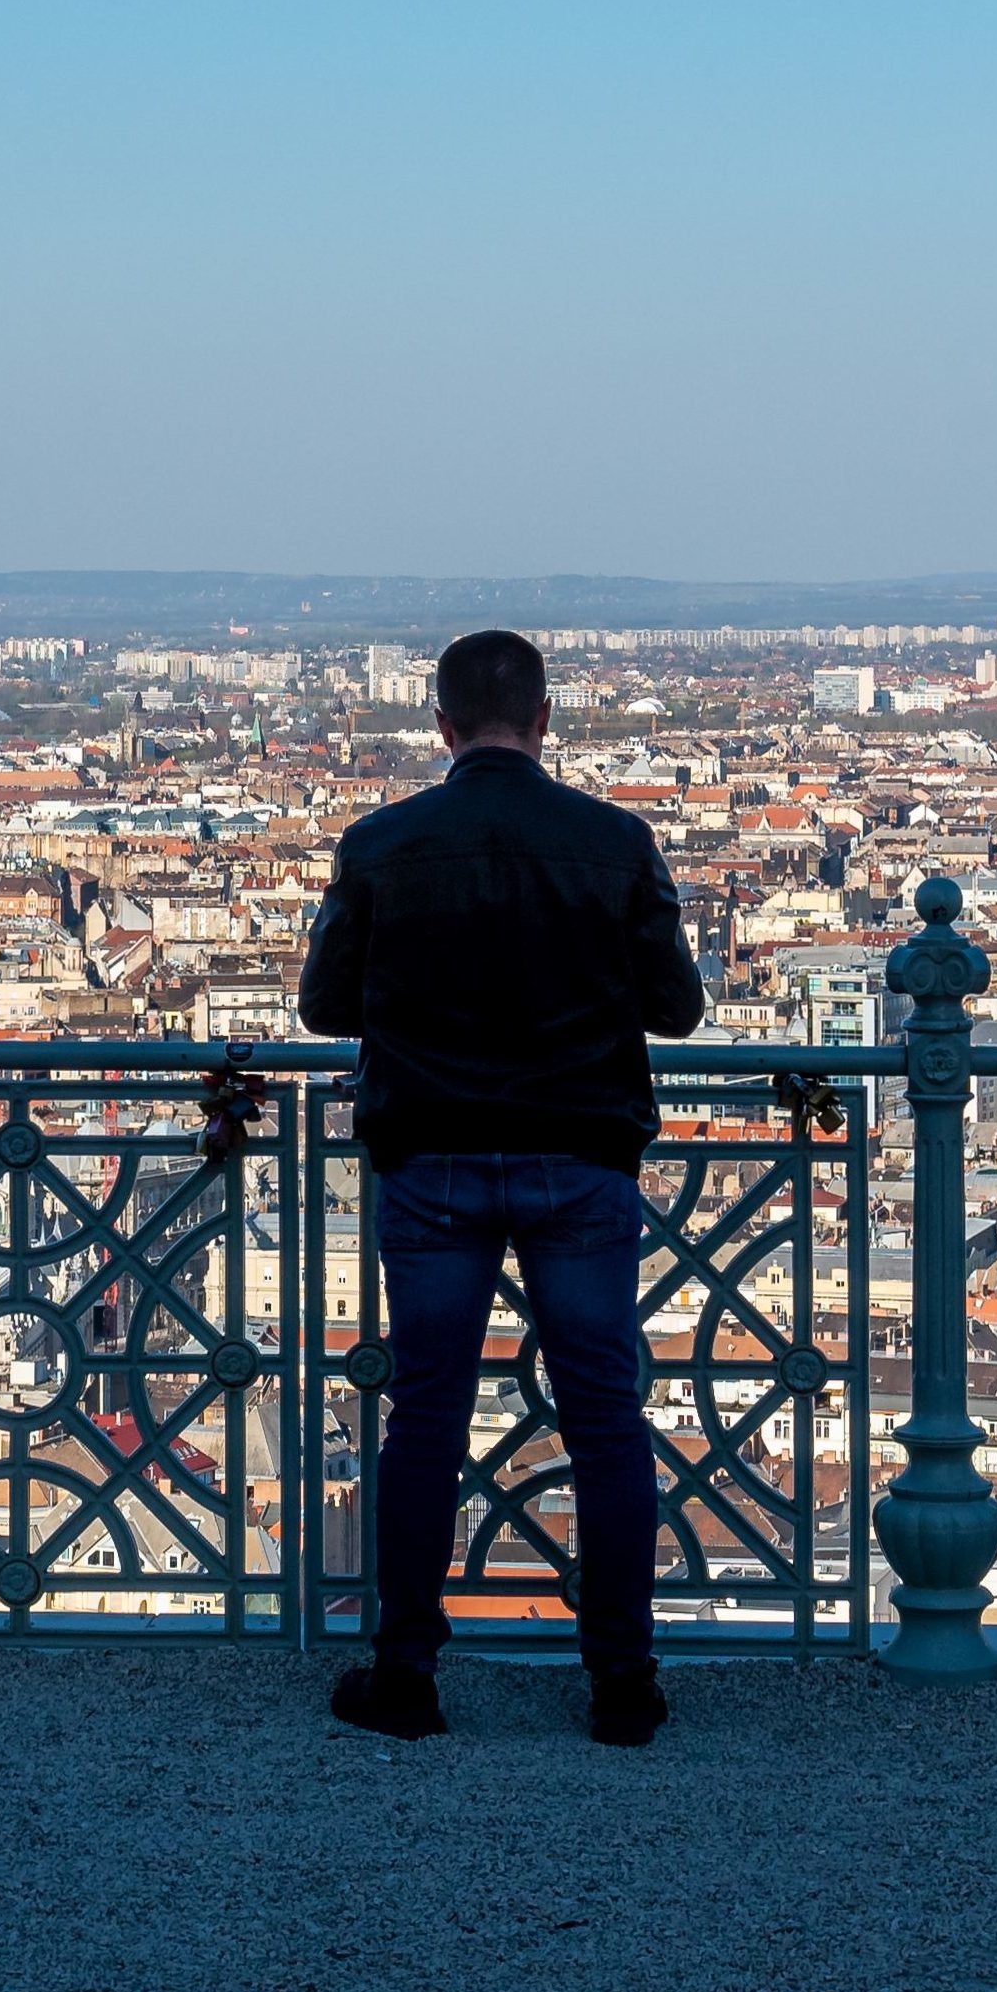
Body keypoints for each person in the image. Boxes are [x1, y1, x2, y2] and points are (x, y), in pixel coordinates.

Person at [297, 627, 705, 1746]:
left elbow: (325, 1010)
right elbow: (677, 1010)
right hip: (579, 1160)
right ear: (542, 720)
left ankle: (407, 1676)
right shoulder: (614, 842)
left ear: (441, 725)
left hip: (430, 1158)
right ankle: (623, 1682)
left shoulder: (381, 845)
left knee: (424, 1421)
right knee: (606, 1424)